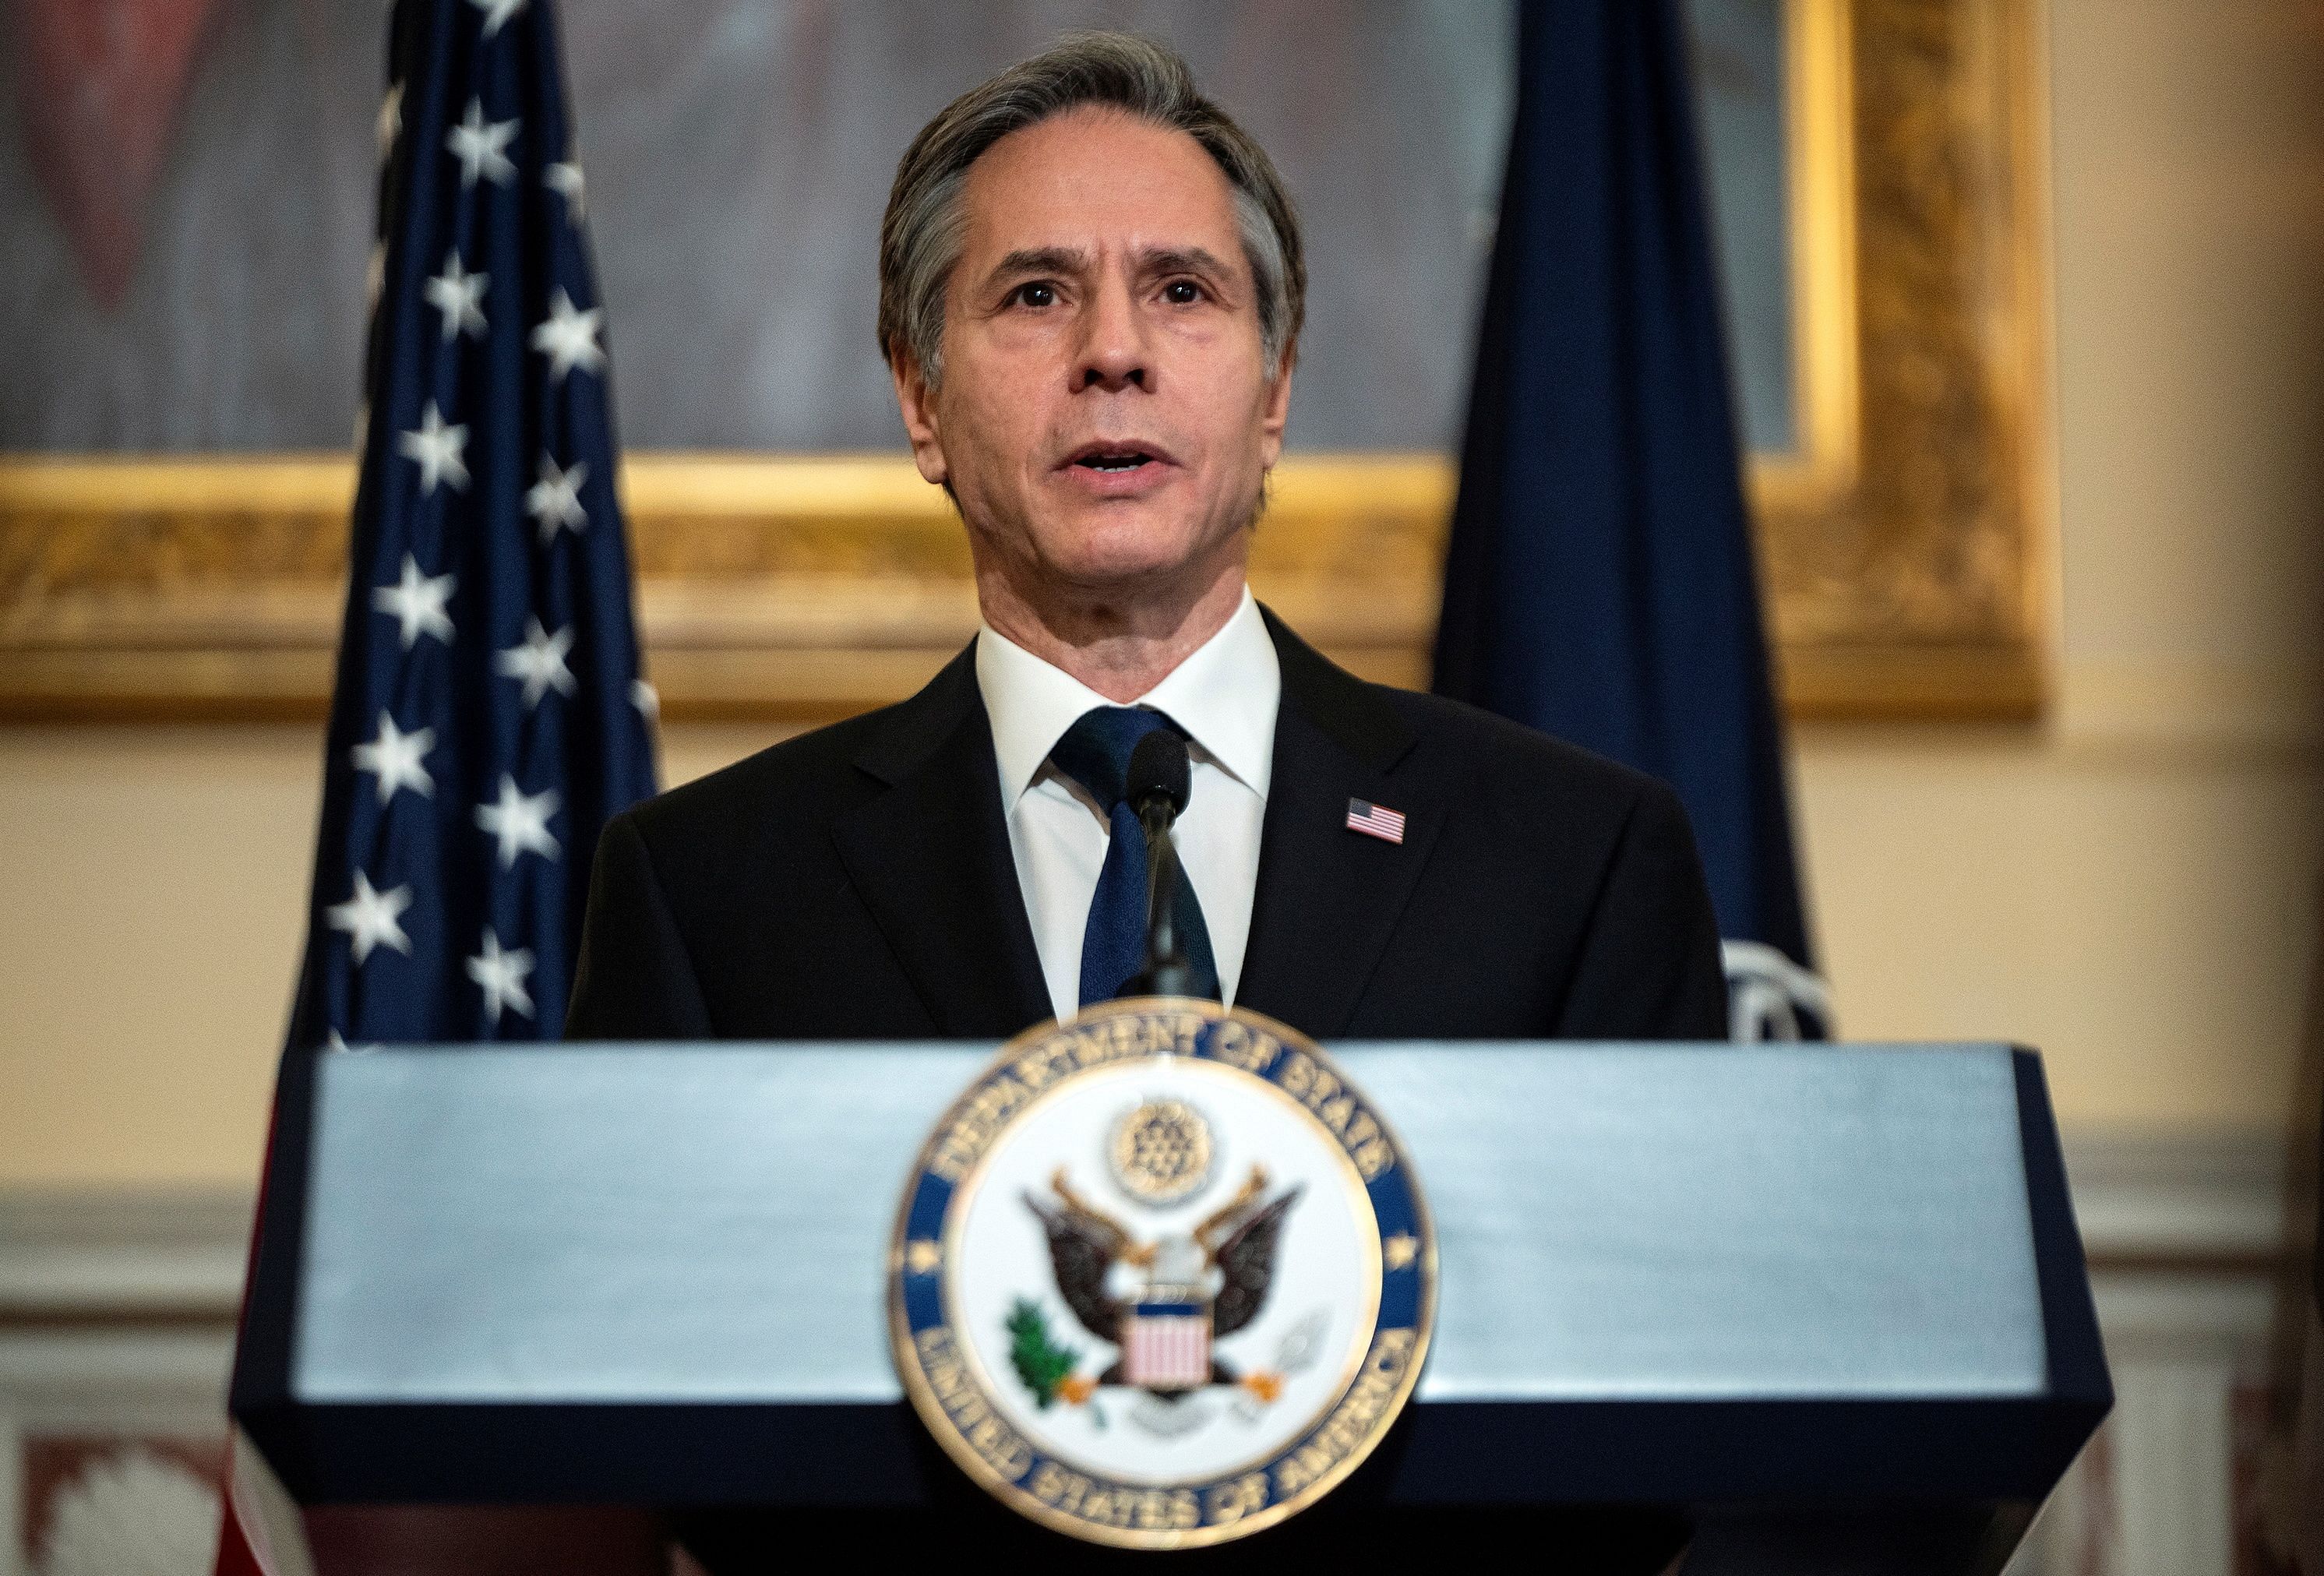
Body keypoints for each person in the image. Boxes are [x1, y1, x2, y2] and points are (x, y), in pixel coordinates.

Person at [567, 32, 1726, 1050]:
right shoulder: (708, 895)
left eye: (1181, 291)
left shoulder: (1576, 864)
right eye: (1035, 295)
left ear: (1273, 392)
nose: (1113, 351)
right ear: (921, 401)